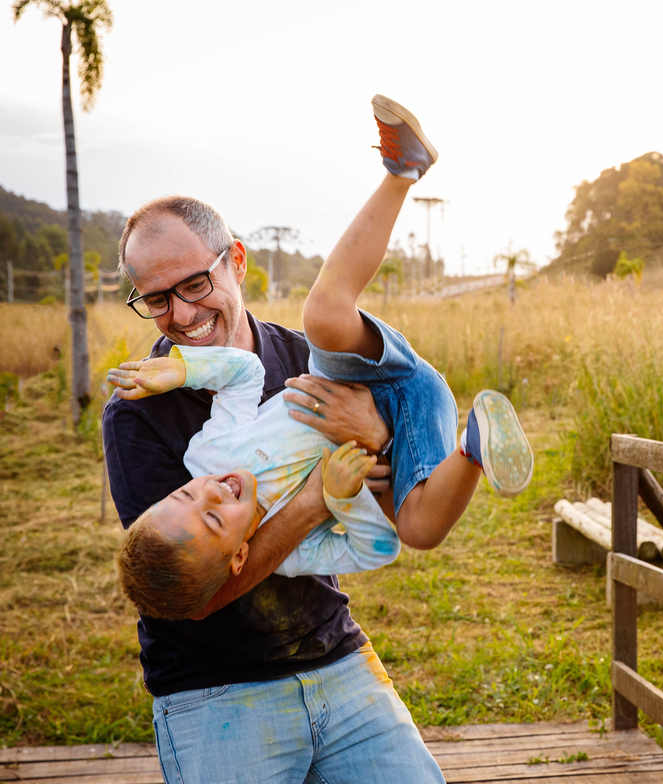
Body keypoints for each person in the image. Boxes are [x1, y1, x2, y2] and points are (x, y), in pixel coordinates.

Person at [102, 95, 514, 783]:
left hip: (335, 655)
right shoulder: (135, 415)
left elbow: (377, 483)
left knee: (327, 312)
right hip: (212, 690)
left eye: (195, 283)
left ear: (235, 260)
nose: (181, 313)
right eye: (156, 299)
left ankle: (401, 171)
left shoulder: (302, 359)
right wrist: (320, 499)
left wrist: (378, 436)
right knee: (420, 527)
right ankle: (478, 447)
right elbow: (188, 590)